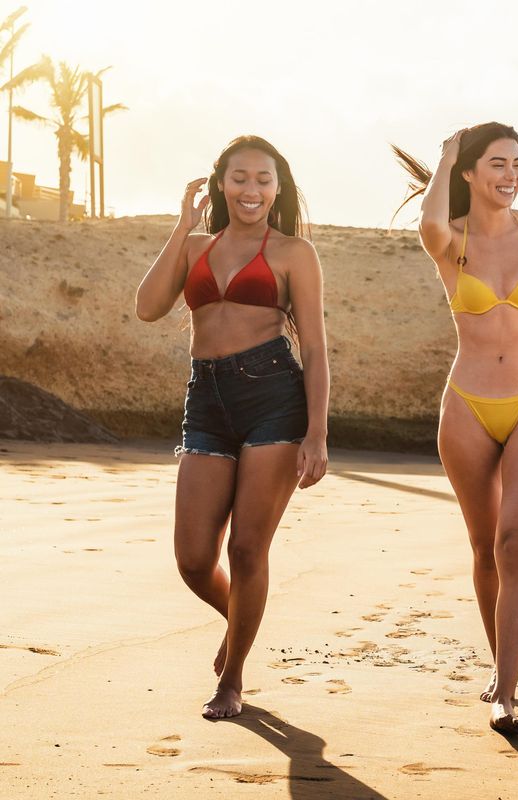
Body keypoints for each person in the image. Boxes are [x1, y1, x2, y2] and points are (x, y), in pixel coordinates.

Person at [393, 123, 518, 734]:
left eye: (517, 164)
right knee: (485, 550)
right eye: (496, 165)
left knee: (517, 544)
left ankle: (506, 693)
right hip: (467, 406)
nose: (510, 176)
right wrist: (446, 152)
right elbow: (427, 222)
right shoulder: (448, 240)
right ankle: (498, 665)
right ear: (467, 174)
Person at [135, 135, 330, 719]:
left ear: (278, 188)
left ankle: (234, 679)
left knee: (247, 549)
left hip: (274, 396)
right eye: (240, 177)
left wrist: (317, 432)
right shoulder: (196, 246)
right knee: (194, 559)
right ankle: (238, 620)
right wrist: (181, 226)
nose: (252, 189)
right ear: (222, 183)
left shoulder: (295, 252)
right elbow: (148, 307)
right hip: (208, 401)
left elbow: (316, 349)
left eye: (264, 180)